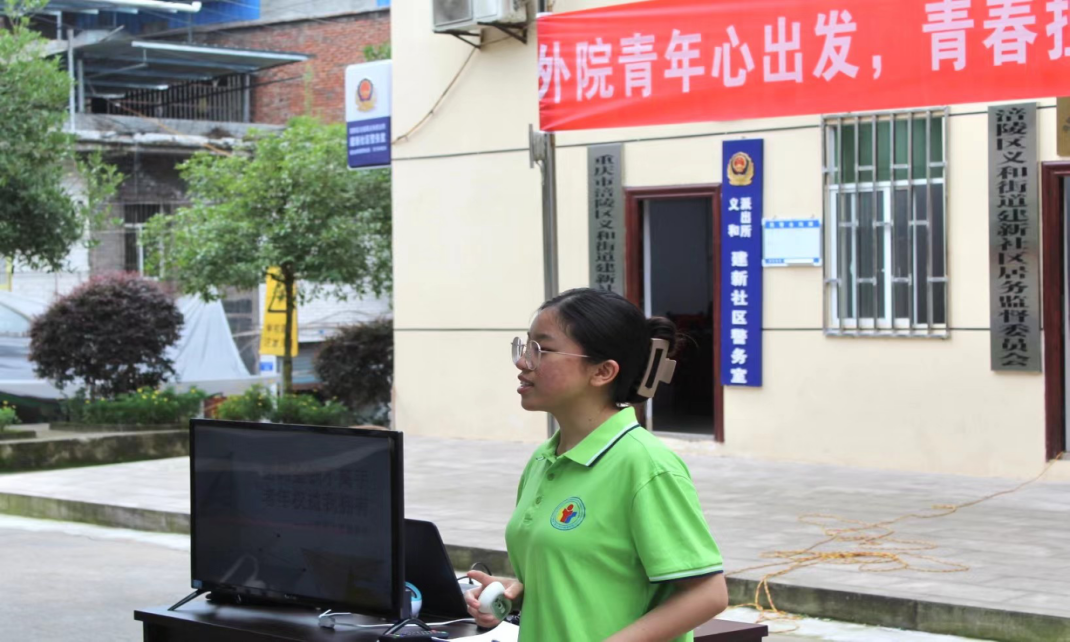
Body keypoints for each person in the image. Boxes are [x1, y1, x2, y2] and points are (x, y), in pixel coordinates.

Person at [464, 288, 728, 642]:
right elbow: (585, 577)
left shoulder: (646, 465)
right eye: (525, 346)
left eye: (541, 349)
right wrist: (516, 592)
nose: (523, 362)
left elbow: (708, 595)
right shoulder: (544, 459)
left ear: (602, 371)